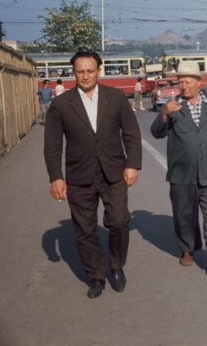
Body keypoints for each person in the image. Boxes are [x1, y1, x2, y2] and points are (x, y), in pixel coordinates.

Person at [44, 49, 142, 299]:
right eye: (80, 71)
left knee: (119, 221)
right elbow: (53, 145)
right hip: (79, 177)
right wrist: (56, 177)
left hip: (114, 173)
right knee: (85, 230)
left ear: (98, 70)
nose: (85, 76)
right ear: (73, 73)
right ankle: (96, 276)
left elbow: (131, 133)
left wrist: (132, 165)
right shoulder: (61, 104)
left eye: (90, 71)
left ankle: (116, 265)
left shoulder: (116, 97)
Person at [150, 60, 207, 279]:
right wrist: (165, 114)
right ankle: (187, 249)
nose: (184, 86)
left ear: (199, 82)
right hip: (182, 173)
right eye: (180, 82)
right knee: (184, 215)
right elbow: (156, 133)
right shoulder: (173, 105)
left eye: (188, 81)